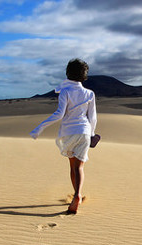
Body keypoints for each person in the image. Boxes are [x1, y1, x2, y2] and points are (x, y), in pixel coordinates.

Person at [30, 58, 97, 214]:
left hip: (69, 132)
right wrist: (92, 134)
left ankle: (76, 195)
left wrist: (40, 128)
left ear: (68, 73)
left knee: (72, 166)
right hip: (85, 132)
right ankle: (78, 195)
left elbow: (59, 114)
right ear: (84, 75)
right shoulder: (89, 93)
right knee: (80, 167)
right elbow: (92, 117)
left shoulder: (65, 91)